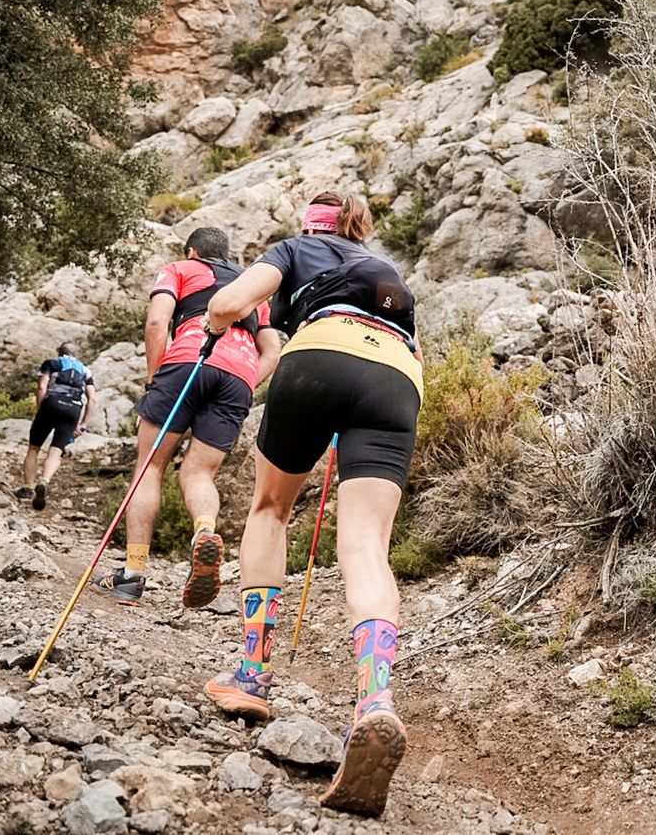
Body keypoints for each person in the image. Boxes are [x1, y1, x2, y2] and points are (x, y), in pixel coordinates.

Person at [197, 191, 423, 818]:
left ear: (309, 227)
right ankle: (374, 700)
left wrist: (217, 329)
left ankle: (251, 674)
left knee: (270, 510)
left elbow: (229, 302)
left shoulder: (295, 249)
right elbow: (415, 348)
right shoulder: (388, 273)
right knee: (366, 544)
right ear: (361, 229)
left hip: (317, 356)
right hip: (395, 376)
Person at [96, 226, 281, 609]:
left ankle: (131, 576)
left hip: (189, 359)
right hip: (239, 376)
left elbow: (156, 322)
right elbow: (272, 353)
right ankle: (203, 532)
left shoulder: (180, 268)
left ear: (192, 252)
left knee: (150, 466)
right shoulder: (251, 288)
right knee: (199, 472)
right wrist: (246, 381)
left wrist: (153, 379)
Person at [24, 343, 97, 510]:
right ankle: (45, 480)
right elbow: (92, 399)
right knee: (56, 451)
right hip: (73, 409)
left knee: (34, 448)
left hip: (51, 404)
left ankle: (28, 487)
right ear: (76, 354)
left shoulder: (51, 363)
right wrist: (83, 424)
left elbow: (42, 387)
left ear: (59, 353)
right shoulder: (85, 371)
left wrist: (40, 409)